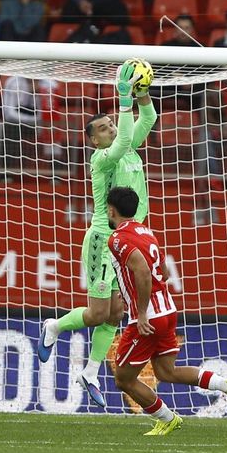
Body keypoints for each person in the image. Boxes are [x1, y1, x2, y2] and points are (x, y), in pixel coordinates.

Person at [38, 63, 157, 406]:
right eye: (103, 128)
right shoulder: (103, 158)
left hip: (130, 239)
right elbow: (120, 142)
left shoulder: (129, 147)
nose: (110, 129)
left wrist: (141, 95)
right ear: (94, 139)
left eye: (111, 125)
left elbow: (147, 120)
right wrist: (122, 98)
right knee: (98, 314)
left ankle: (90, 372)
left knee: (118, 314)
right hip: (104, 241)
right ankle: (54, 327)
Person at [104, 186, 227, 435]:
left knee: (124, 379)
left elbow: (141, 270)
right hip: (168, 309)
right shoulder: (146, 232)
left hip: (148, 316)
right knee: (166, 371)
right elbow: (164, 270)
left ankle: (167, 418)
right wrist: (128, 291)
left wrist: (139, 312)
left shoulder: (117, 238)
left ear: (111, 209)